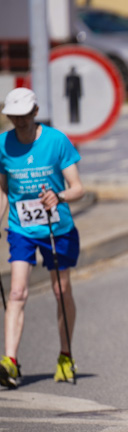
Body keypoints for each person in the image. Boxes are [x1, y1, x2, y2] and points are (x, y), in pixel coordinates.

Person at [0, 88, 85, 388]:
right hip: (21, 227)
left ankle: (65, 355)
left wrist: (59, 196)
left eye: (24, 115)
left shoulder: (56, 141)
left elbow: (77, 187)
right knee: (17, 292)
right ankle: (9, 362)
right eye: (13, 116)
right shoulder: (3, 144)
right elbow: (3, 190)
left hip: (56, 227)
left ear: (35, 112)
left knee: (61, 292)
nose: (19, 121)